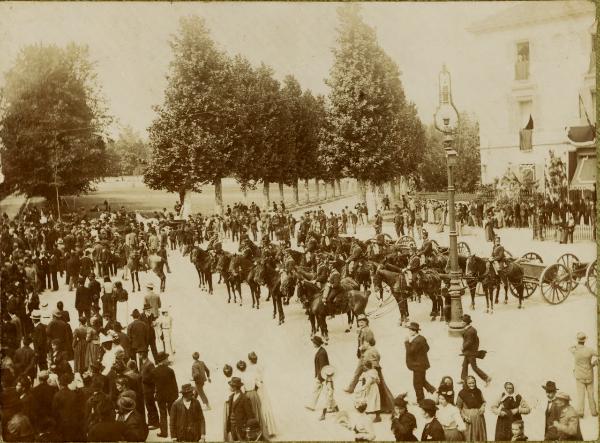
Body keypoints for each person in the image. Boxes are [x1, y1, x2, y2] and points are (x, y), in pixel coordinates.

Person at [404, 322, 436, 402]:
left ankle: (421, 400)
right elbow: (427, 348)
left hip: (417, 365)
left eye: (410, 330)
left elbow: (410, 352)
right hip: (423, 364)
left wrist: (406, 342)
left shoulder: (416, 341)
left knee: (417, 384)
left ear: (415, 331)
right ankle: (433, 391)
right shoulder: (422, 338)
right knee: (421, 380)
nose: (409, 332)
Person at [248, 351, 277, 438]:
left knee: (260, 408)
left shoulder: (252, 369)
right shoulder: (260, 366)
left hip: (258, 390)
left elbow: (257, 381)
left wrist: (254, 389)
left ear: (250, 360)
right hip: (263, 389)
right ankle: (270, 429)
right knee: (266, 407)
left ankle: (264, 430)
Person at [569, 331, 597, 417]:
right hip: (589, 375)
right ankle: (594, 412)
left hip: (579, 376)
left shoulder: (575, 351)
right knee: (591, 394)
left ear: (577, 340)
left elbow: (570, 348)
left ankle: (580, 413)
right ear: (585, 340)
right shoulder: (589, 350)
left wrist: (575, 345)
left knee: (580, 395)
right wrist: (594, 363)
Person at [152, 351, 179, 438]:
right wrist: (176, 395)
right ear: (163, 360)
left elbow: (152, 384)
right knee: (172, 414)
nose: (168, 360)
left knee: (162, 414)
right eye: (166, 359)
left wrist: (155, 394)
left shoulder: (154, 371)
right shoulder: (170, 370)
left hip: (160, 396)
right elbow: (174, 384)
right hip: (170, 396)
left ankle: (164, 432)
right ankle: (174, 432)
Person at [346, 314, 375, 393]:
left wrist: (363, 347)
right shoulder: (361, 330)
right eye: (359, 322)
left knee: (359, 372)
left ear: (366, 322)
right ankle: (355, 388)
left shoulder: (368, 331)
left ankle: (351, 388)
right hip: (362, 355)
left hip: (366, 355)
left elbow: (372, 343)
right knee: (362, 372)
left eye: (362, 322)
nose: (360, 324)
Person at [306, 335, 334, 416]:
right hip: (324, 375)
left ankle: (329, 407)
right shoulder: (321, 350)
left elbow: (322, 366)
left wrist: (321, 377)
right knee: (326, 391)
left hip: (323, 375)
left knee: (326, 391)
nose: (313, 344)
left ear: (317, 343)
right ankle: (313, 405)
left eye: (314, 343)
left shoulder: (321, 352)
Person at [460, 314, 491, 385]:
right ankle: (463, 379)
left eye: (462, 321)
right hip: (469, 352)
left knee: (474, 367)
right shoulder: (470, 329)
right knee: (464, 365)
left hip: (470, 352)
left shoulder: (470, 331)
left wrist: (463, 347)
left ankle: (486, 378)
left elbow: (469, 342)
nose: (461, 323)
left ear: (465, 323)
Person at [456, 375, 487, 441]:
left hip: (479, 418)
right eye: (469, 383)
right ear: (466, 384)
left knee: (480, 437)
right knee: (469, 437)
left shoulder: (478, 391)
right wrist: (464, 417)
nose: (472, 385)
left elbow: (483, 402)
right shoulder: (462, 393)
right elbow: (458, 407)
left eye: (473, 383)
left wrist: (483, 407)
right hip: (468, 419)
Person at [225, 376, 255, 441]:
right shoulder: (231, 397)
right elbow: (230, 414)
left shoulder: (244, 399)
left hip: (241, 429)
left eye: (231, 386)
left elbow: (250, 416)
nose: (230, 387)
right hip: (232, 427)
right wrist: (229, 429)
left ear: (235, 387)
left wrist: (247, 430)